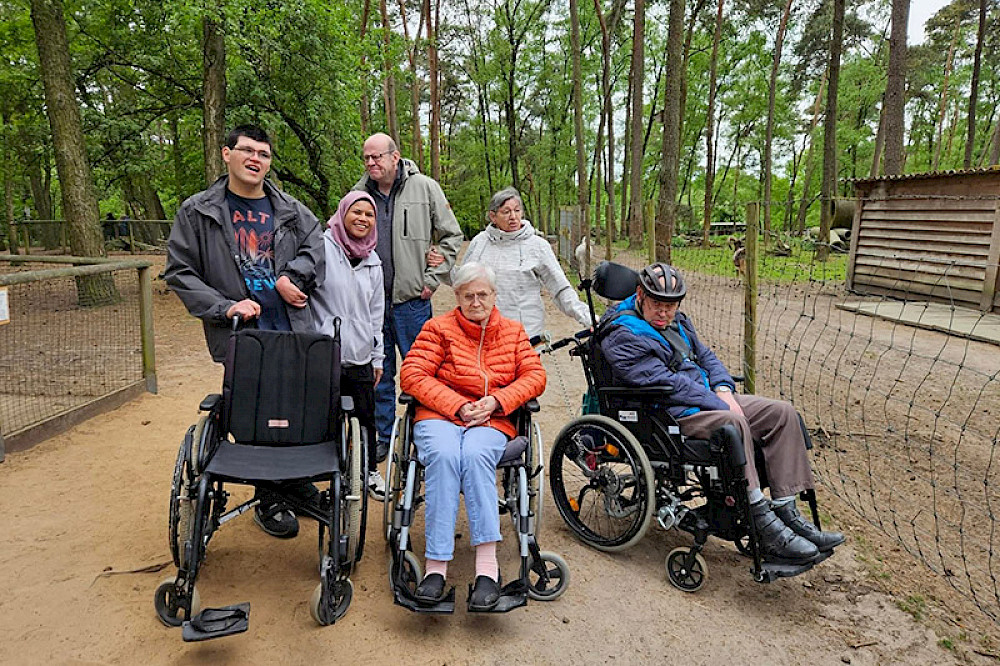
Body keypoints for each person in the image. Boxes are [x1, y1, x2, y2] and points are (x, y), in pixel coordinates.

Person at [599, 262, 845, 564]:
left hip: (706, 398)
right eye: (658, 305)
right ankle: (762, 521)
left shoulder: (678, 322)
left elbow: (705, 356)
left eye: (671, 306)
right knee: (733, 422)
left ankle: (786, 511)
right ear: (640, 295)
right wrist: (720, 404)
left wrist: (725, 388)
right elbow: (666, 384)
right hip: (669, 412)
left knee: (782, 413)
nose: (664, 313)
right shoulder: (622, 334)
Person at [165, 124, 325, 540]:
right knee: (255, 413)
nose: (256, 159)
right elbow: (180, 272)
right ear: (227, 154)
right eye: (247, 151)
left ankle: (295, 485)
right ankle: (270, 496)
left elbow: (315, 248)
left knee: (297, 407)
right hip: (240, 332)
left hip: (290, 326)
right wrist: (224, 306)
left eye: (264, 154)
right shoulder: (198, 212)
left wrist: (293, 276)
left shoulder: (291, 209)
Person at [399, 262, 546, 610]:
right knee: (446, 456)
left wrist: (497, 400)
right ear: (457, 297)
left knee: (477, 456)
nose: (476, 301)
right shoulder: (438, 328)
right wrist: (457, 406)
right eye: (468, 295)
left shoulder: (513, 332)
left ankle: (486, 570)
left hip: (492, 419)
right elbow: (412, 374)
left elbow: (535, 376)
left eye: (482, 294)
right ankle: (435, 568)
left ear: (494, 295)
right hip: (441, 415)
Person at [355, 132, 463, 463]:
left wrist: (432, 280)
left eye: (377, 157)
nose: (372, 163)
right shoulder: (359, 194)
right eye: (367, 158)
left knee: (424, 374)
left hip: (413, 303)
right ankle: (382, 439)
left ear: (395, 156)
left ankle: (425, 439)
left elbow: (451, 235)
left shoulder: (425, 188)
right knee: (378, 376)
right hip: (372, 305)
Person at [310, 191, 387, 501]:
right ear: (342, 214)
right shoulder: (321, 249)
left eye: (369, 215)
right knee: (321, 418)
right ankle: (322, 474)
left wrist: (378, 356)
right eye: (357, 212)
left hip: (359, 355)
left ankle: (369, 471)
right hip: (323, 353)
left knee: (365, 419)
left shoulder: (373, 261)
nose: (363, 219)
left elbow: (376, 312)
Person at [456, 187, 590, 340]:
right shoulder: (479, 243)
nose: (513, 217)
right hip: (482, 333)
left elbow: (560, 287)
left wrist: (586, 317)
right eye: (506, 212)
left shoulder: (538, 246)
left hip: (525, 333)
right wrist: (440, 265)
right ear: (493, 216)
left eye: (517, 210)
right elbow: (461, 283)